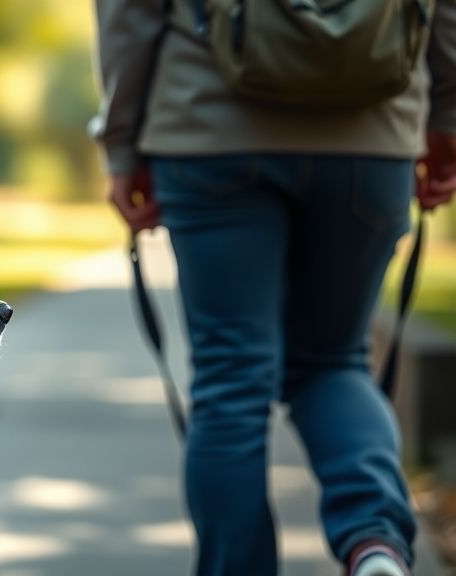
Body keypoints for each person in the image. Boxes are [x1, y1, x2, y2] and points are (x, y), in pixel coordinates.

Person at [89, 1, 456, 575]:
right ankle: (376, 546)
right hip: (374, 129)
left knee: (230, 378)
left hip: (209, 125)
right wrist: (446, 119)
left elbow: (131, 11)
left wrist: (122, 141)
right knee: (334, 361)